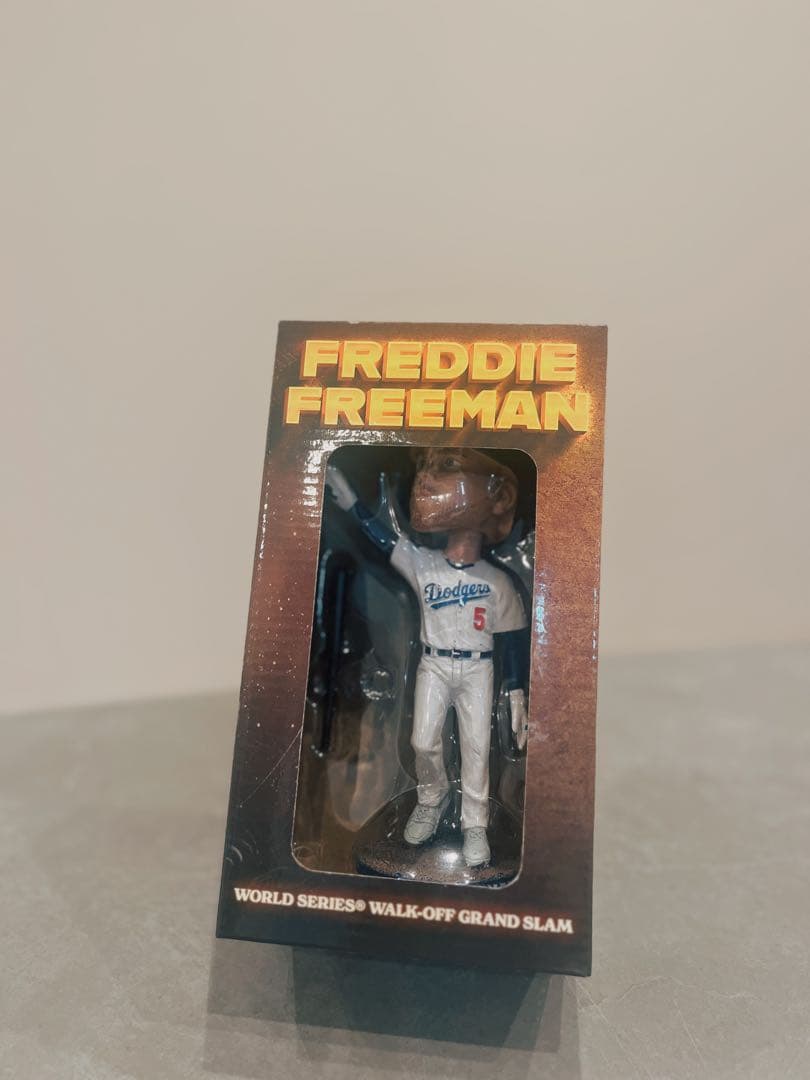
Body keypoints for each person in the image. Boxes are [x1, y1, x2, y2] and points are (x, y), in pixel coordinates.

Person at [325, 448, 529, 868]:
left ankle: (475, 824)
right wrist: (351, 502)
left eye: (447, 468)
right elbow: (384, 539)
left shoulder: (498, 582)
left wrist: (515, 690)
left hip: (478, 668)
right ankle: (432, 798)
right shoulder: (424, 565)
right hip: (433, 664)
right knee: (422, 739)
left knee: (477, 747)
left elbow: (511, 641)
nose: (428, 478)